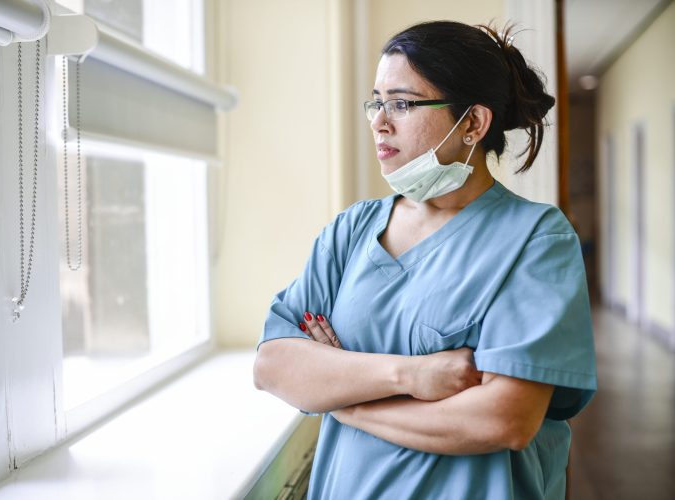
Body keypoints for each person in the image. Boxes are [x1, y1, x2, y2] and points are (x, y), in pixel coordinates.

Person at [253, 20, 596, 500]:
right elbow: (272, 364)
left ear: (473, 123)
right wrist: (413, 376)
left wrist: (341, 397)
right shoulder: (351, 231)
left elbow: (505, 419)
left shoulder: (535, 239)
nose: (379, 121)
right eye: (377, 101)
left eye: (402, 103)